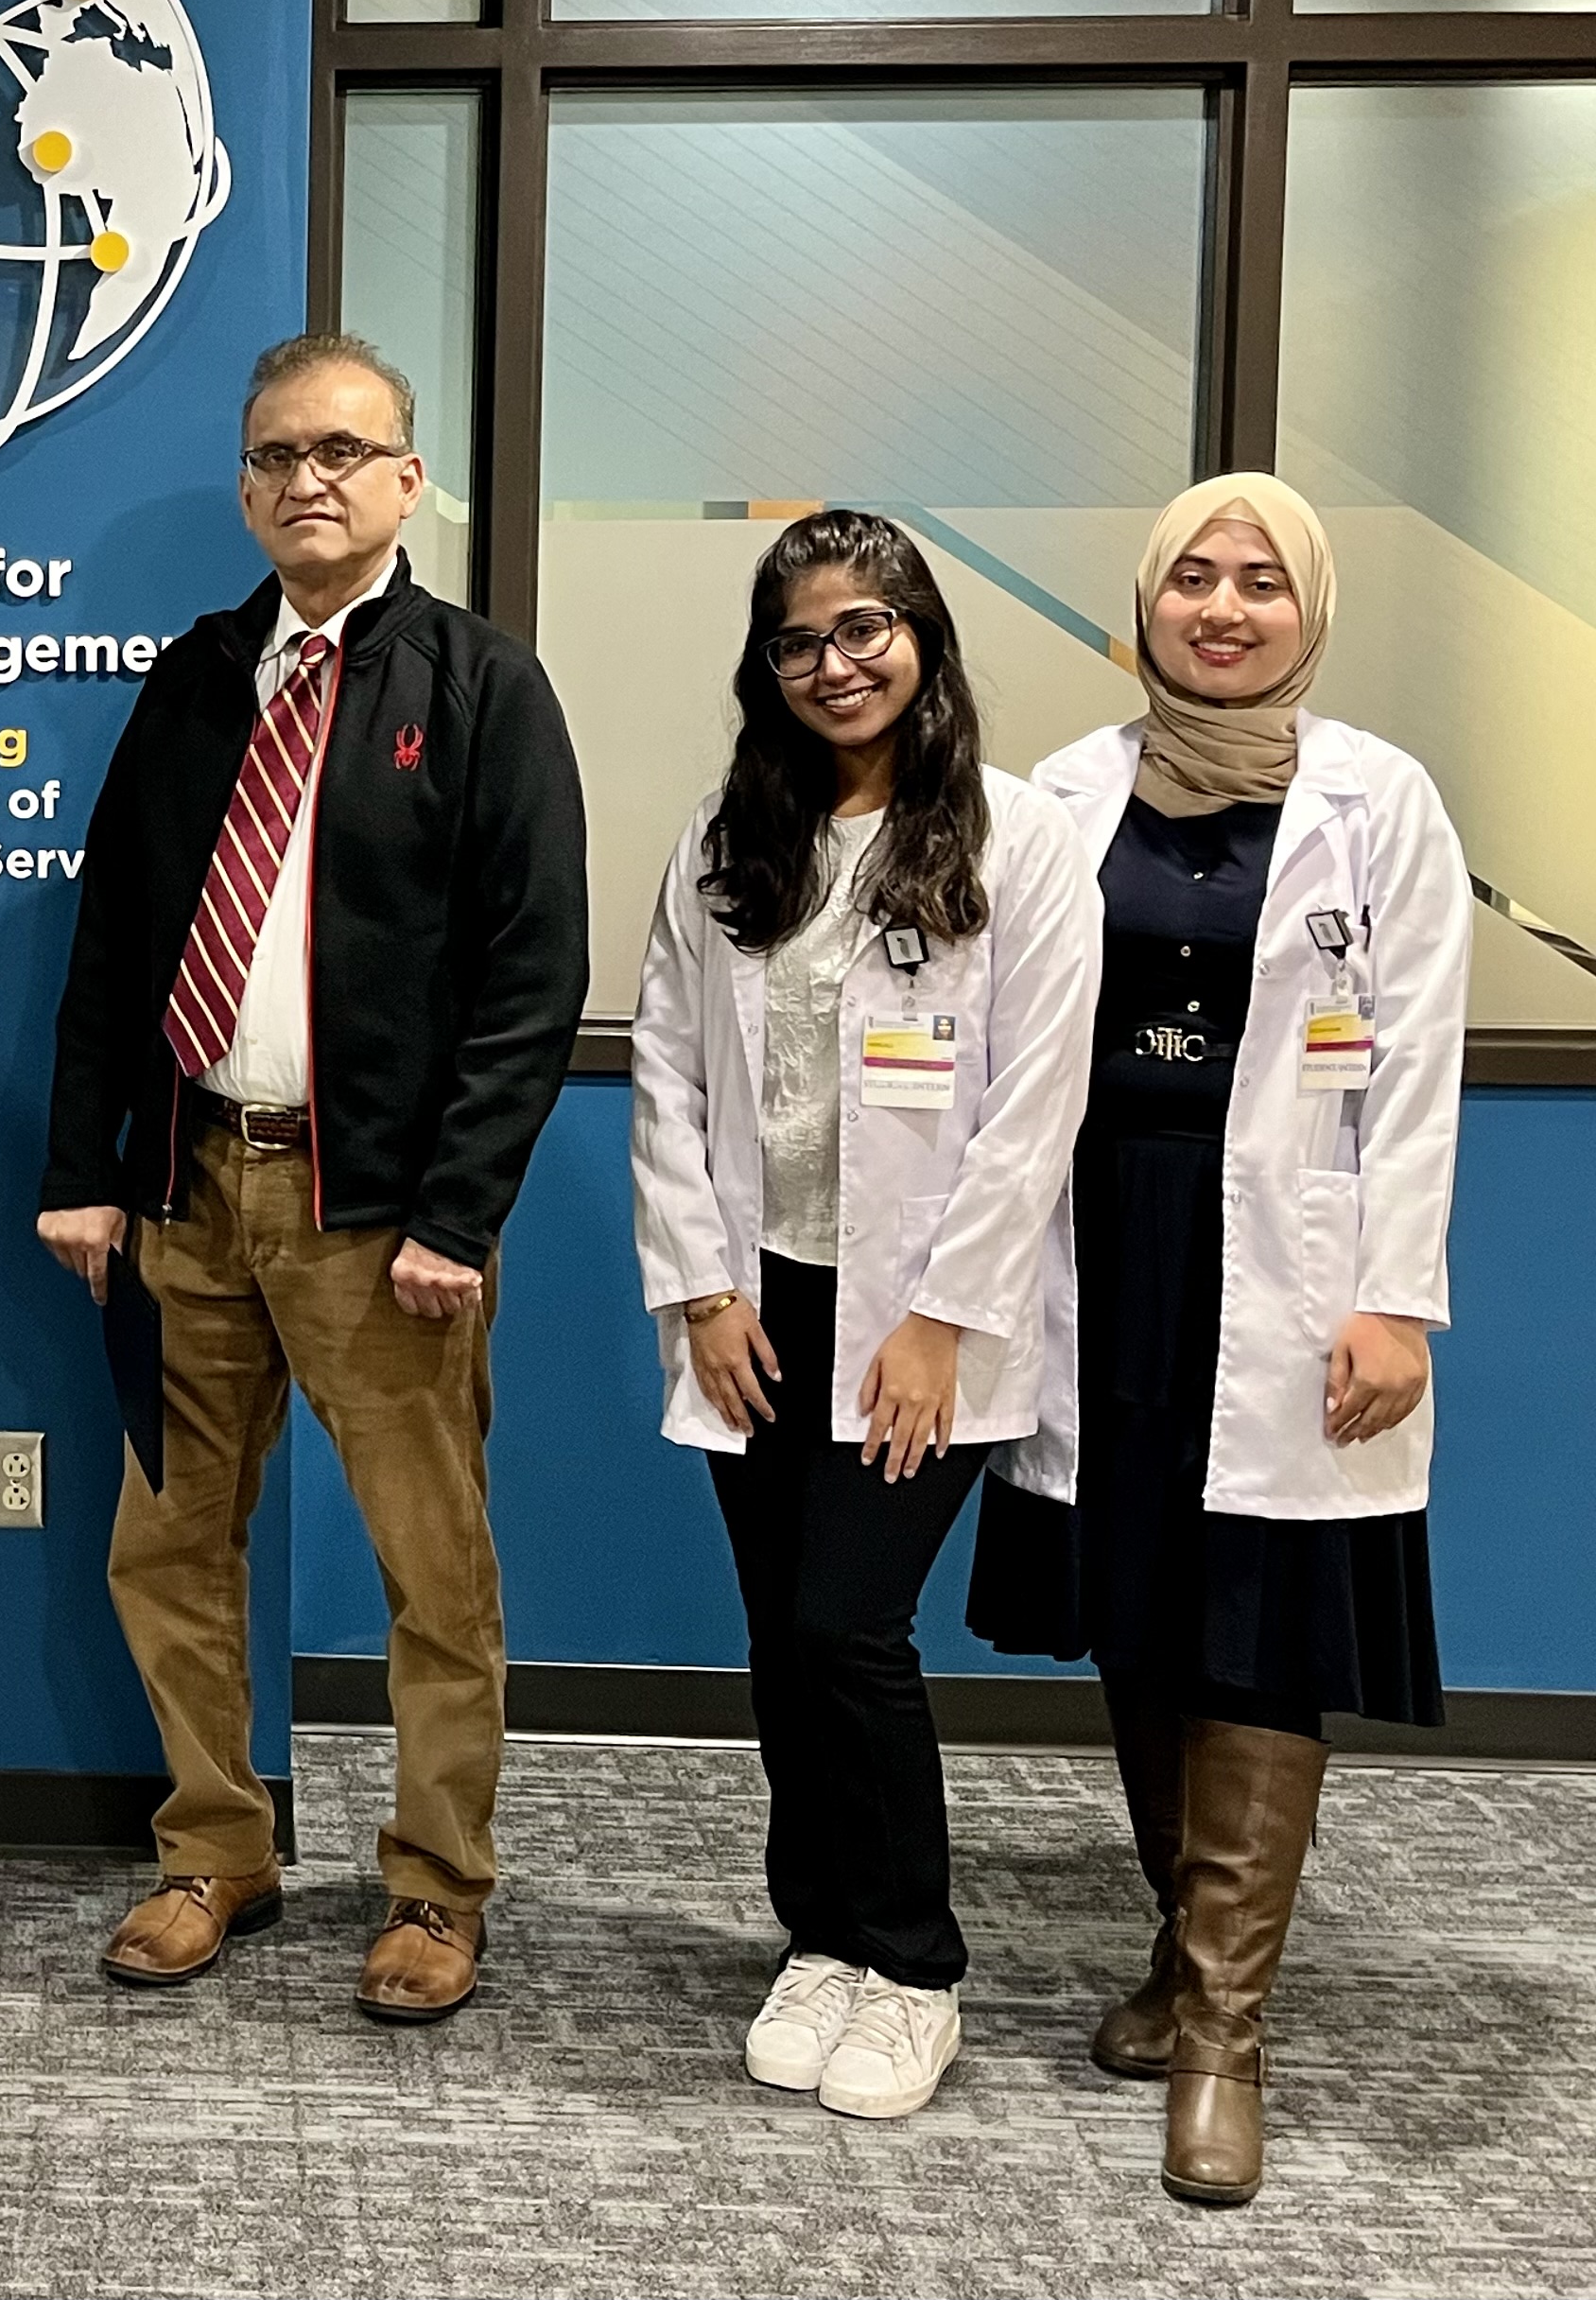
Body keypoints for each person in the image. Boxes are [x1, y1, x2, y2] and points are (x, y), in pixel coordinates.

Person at [36, 331, 588, 2025]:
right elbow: (116, 940)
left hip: (381, 1221)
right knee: (166, 1546)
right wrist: (84, 1167)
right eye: (278, 454)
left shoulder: (482, 687)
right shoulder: (198, 680)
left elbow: (531, 975)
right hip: (192, 1189)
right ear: (247, 486)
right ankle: (217, 1847)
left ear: (408, 479)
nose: (308, 481)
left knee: (435, 1569)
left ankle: (436, 1884)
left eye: (343, 451)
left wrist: (459, 1214)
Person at [968, 472, 1467, 2204]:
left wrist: (1395, 1296)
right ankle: (1181, 1951)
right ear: (1145, 603)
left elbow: (1416, 1068)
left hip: (1294, 1256)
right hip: (1102, 1238)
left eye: (1262, 580)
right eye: (1194, 576)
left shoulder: (1381, 800)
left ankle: (1223, 2036)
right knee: (1137, 1603)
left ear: (1309, 609)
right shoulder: (1062, 793)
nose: (1225, 607)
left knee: (1257, 1617)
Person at [629, 511, 1098, 2121]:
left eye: (864, 628)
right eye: (799, 640)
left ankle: (912, 1965)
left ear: (923, 637)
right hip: (761, 1298)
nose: (834, 663)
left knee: (849, 1624)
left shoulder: (1021, 839)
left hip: (920, 1312)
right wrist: (700, 1285)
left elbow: (1037, 1106)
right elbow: (668, 1070)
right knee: (782, 1634)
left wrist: (943, 1318)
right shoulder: (729, 836)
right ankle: (819, 1933)